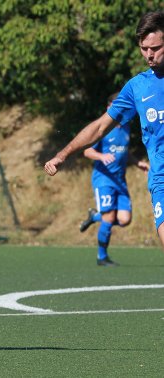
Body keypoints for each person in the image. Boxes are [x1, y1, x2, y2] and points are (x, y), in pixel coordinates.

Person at [45, 11, 164, 251]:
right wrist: (63, 154)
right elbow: (100, 127)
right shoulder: (137, 87)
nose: (149, 55)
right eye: (144, 48)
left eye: (156, 47)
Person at [78, 92, 149, 267]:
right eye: (115, 105)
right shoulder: (101, 129)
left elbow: (124, 152)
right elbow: (86, 151)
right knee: (109, 218)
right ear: (108, 107)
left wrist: (137, 162)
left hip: (120, 181)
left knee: (125, 220)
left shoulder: (125, 127)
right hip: (104, 180)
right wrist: (101, 156)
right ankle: (102, 257)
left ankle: (95, 217)